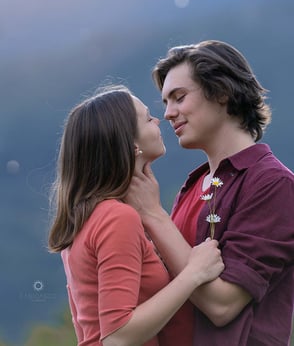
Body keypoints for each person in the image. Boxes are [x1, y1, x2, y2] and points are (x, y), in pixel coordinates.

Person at [126, 40, 294, 346]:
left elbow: (223, 306)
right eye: (165, 103)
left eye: (179, 98)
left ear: (221, 93)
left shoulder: (273, 183)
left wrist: (153, 215)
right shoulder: (195, 184)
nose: (168, 114)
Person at [48, 85, 224, 346]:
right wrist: (194, 273)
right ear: (131, 144)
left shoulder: (88, 218)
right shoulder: (116, 218)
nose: (159, 119)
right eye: (147, 117)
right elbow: (117, 336)